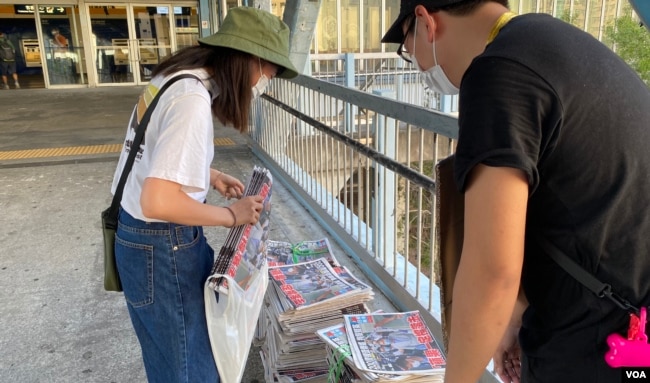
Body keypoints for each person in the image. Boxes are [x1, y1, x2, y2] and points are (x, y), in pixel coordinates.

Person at [382, 0, 650, 382]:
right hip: (626, 325)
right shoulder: (549, 39)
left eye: (411, 53)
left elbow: (492, 270)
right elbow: (572, 205)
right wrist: (515, 318)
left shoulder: (496, 73)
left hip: (596, 347)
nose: (423, 68)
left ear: (425, 22)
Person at [110, 7, 298, 382]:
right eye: (271, 69)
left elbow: (151, 152)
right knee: (190, 369)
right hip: (162, 248)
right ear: (250, 60)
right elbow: (158, 201)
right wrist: (233, 215)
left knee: (170, 362)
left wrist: (207, 174)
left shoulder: (173, 78)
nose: (268, 80)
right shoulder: (192, 102)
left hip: (136, 240)